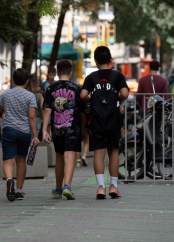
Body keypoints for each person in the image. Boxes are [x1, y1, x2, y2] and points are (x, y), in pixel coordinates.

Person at [81, 46, 129, 199]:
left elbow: (82, 95)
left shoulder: (91, 78)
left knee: (99, 153)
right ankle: (113, 186)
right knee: (113, 151)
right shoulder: (117, 76)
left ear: (95, 61)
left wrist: (90, 99)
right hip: (113, 119)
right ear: (110, 60)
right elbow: (125, 93)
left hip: (97, 120)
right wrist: (118, 100)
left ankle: (100, 187)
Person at [0, 68, 40, 202]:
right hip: (24, 132)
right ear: (27, 81)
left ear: (14, 80)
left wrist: (2, 108)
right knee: (21, 160)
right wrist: (35, 135)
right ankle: (19, 190)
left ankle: (9, 180)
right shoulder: (30, 96)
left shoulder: (6, 94)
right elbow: (32, 116)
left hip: (9, 130)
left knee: (8, 160)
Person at [42, 60, 84, 200]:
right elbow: (83, 111)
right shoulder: (77, 89)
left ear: (57, 73)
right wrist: (84, 128)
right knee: (70, 155)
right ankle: (67, 186)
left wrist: (44, 130)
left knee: (59, 156)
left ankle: (59, 188)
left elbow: (47, 110)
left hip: (57, 128)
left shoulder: (50, 89)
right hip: (73, 128)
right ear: (71, 72)